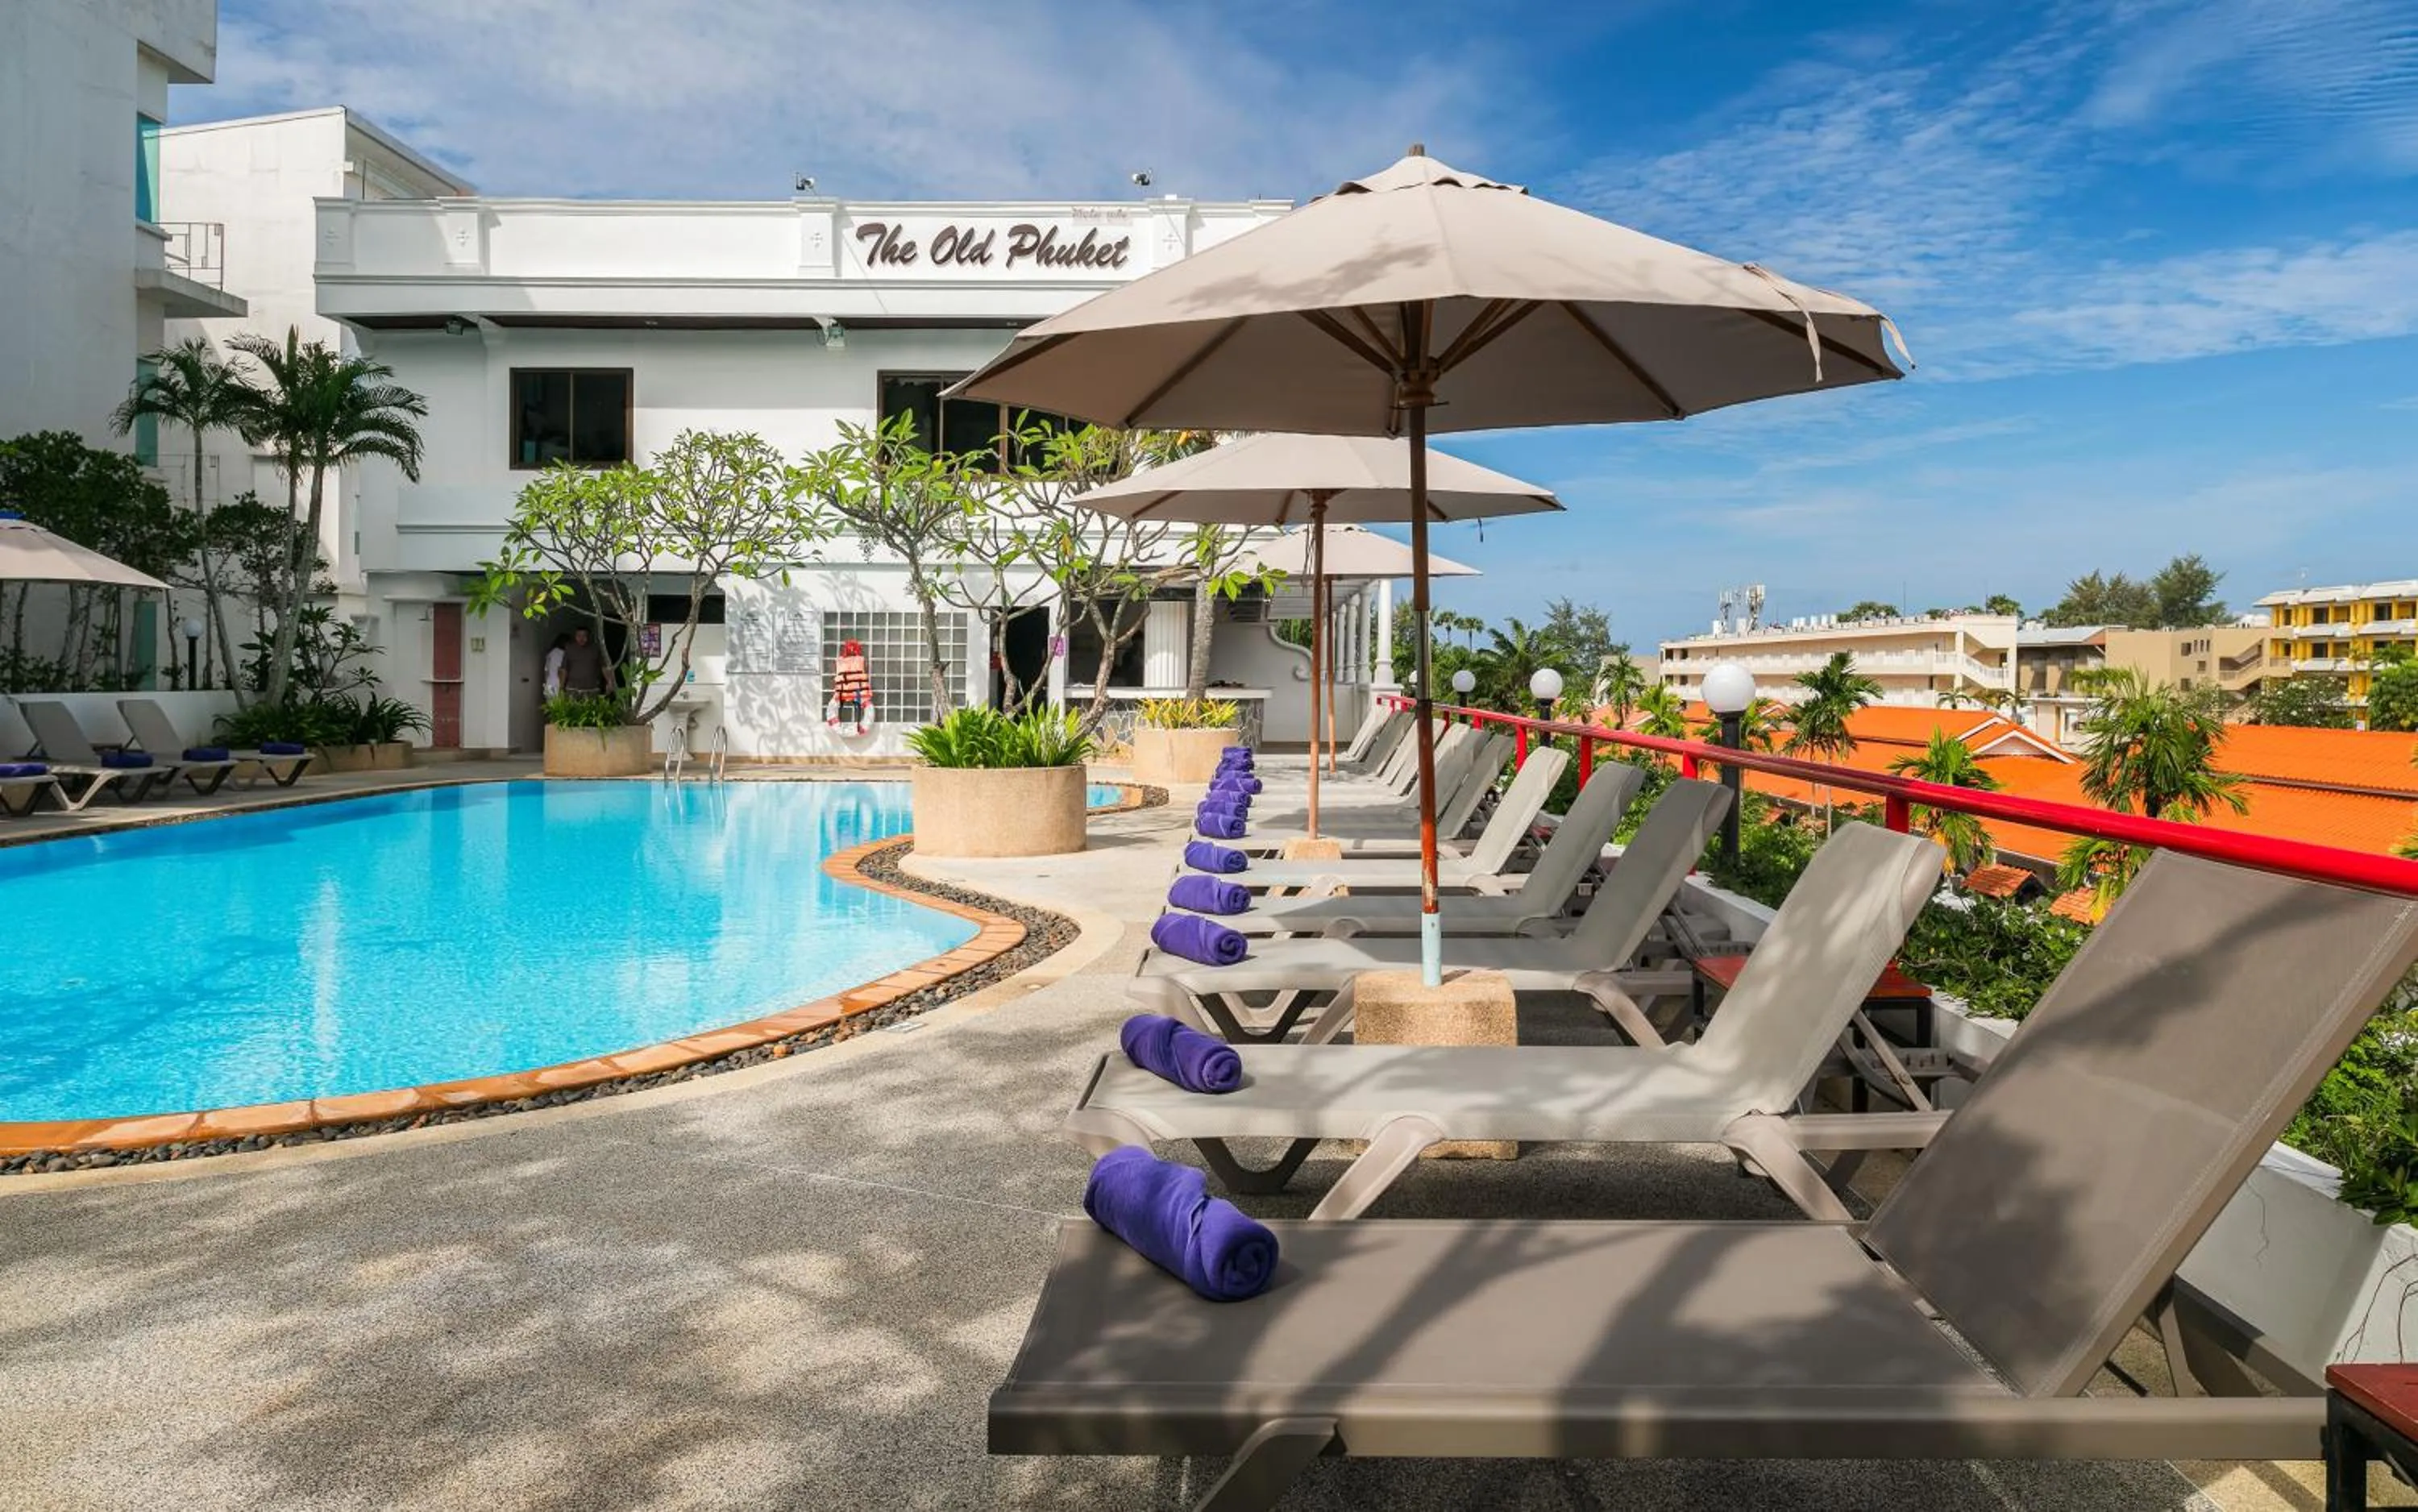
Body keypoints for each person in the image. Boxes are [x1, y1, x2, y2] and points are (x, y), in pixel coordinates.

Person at [559, 625, 610, 697]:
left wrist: (609, 682)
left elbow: (604, 667)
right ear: (575, 636)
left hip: (591, 689)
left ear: (588, 637)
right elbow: (564, 669)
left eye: (584, 636)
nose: (581, 639)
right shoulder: (569, 649)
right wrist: (561, 687)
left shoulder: (595, 649)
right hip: (573, 689)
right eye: (579, 636)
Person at [542, 633, 569, 699]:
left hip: (549, 684)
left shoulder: (551, 653)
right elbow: (561, 671)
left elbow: (546, 671)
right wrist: (561, 688)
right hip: (557, 685)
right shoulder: (560, 653)